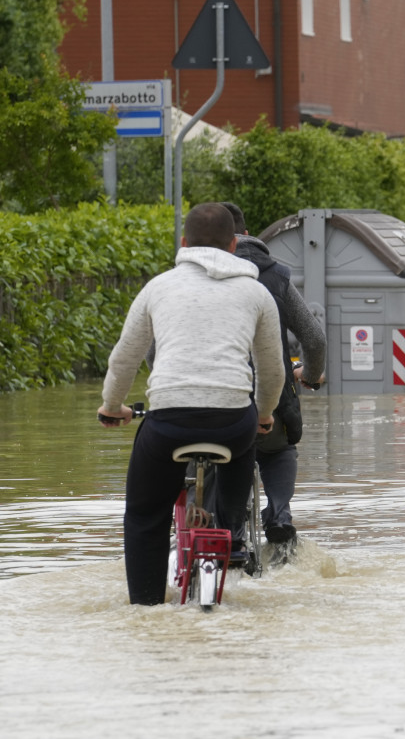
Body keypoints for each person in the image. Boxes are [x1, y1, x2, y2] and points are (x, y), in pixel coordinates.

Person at [97, 203, 284, 605]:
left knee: (145, 515)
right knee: (245, 442)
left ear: (184, 243)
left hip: (168, 423)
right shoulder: (257, 292)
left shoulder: (158, 287)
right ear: (234, 245)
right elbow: (273, 372)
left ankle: (146, 606)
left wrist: (111, 405)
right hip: (233, 423)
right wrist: (264, 414)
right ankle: (230, 530)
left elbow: (125, 358)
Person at [222, 202, 326, 550]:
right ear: (246, 235)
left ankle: (219, 525)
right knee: (278, 450)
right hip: (270, 401)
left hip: (207, 402)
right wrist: (310, 375)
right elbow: (313, 338)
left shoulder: (188, 278)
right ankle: (280, 513)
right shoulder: (276, 275)